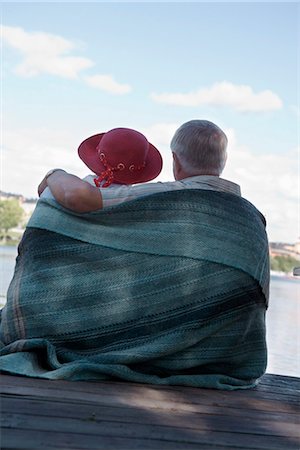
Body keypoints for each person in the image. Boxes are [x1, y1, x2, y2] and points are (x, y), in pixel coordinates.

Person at [38, 120, 241, 212]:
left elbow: (77, 196)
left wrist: (54, 174)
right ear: (224, 160)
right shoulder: (250, 217)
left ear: (175, 161)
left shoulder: (160, 196)